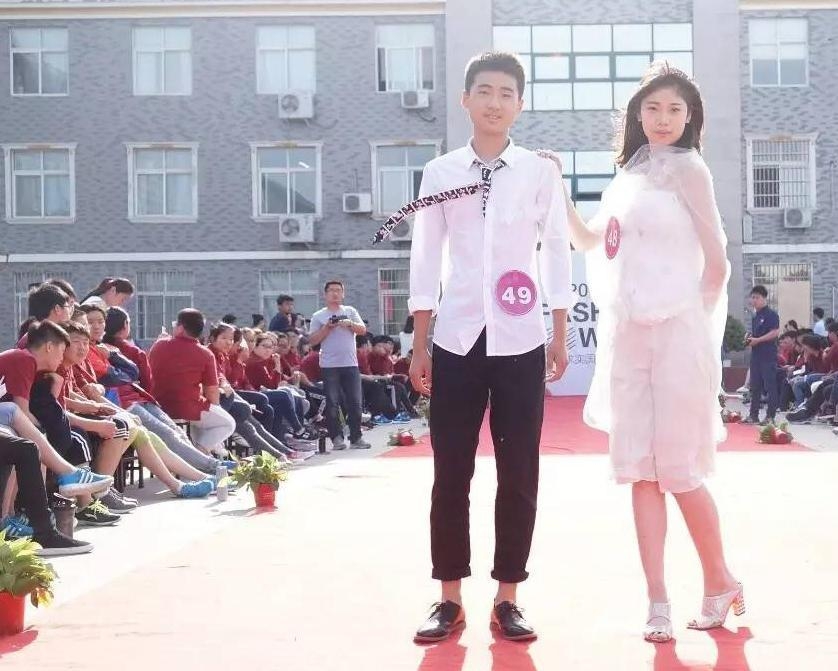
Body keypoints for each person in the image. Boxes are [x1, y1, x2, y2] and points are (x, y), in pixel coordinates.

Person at [541, 61, 742, 643]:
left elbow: (718, 262)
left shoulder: (691, 171)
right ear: (636, 114)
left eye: (675, 109)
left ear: (690, 117)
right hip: (630, 338)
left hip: (677, 334)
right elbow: (588, 240)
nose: (662, 119)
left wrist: (693, 326)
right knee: (640, 472)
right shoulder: (627, 176)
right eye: (652, 108)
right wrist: (558, 188)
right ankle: (657, 600)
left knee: (679, 470)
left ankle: (719, 580)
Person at [409, 52, 571, 643]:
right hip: (456, 338)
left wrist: (558, 328)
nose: (495, 102)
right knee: (450, 470)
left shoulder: (538, 172)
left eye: (506, 93)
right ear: (465, 100)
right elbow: (426, 255)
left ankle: (508, 596)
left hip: (521, 338)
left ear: (520, 104)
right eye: (485, 91)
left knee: (519, 470)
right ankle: (448, 597)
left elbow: (556, 249)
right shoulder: (440, 172)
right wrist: (420, 341)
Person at [148, 309, 236, 456]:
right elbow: (212, 393)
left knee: (206, 418)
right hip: (187, 407)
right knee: (228, 423)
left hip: (156, 406)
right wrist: (214, 408)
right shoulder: (205, 354)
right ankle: (198, 453)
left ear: (181, 328)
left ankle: (195, 452)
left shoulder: (159, 345)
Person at [309, 281, 371, 450]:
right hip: (329, 365)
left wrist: (349, 324)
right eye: (331, 290)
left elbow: (363, 330)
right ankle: (336, 438)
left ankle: (356, 437)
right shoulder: (318, 316)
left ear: (343, 294)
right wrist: (327, 328)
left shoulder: (350, 311)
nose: (335, 293)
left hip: (350, 364)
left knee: (355, 402)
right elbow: (312, 340)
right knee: (332, 403)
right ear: (325, 294)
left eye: (338, 290)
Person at [743, 285, 781, 425]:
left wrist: (758, 340)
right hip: (756, 355)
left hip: (768, 355)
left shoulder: (771, 315)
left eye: (757, 297)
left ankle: (770, 416)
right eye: (752, 297)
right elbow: (756, 335)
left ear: (764, 298)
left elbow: (775, 332)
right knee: (755, 386)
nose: (754, 300)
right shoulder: (755, 316)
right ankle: (753, 415)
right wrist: (749, 338)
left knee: (770, 386)